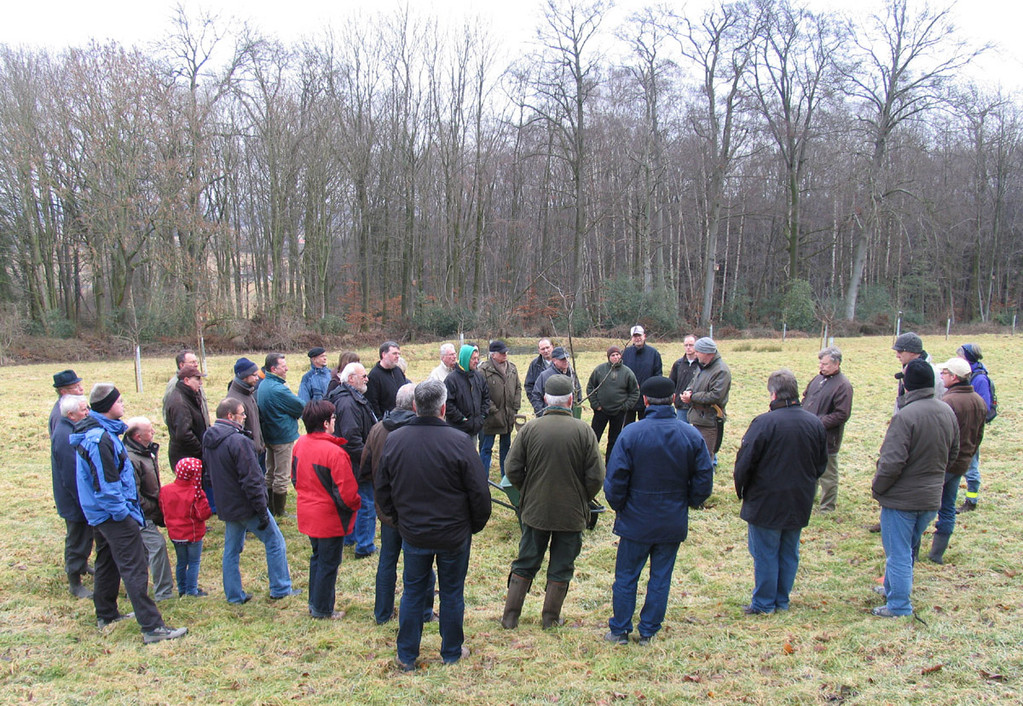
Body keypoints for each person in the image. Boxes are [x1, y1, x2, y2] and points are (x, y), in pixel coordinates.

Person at [375, 379, 492, 671]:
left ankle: (407, 656)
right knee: (451, 592)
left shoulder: (396, 440)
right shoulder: (459, 442)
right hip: (448, 534)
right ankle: (449, 651)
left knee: (413, 592)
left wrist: (399, 521)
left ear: (416, 407)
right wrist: (470, 527)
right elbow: (480, 494)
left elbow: (382, 490)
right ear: (443, 408)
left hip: (418, 532)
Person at [70, 383, 187, 644]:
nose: (123, 404)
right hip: (112, 515)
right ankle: (152, 627)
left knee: (107, 561)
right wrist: (124, 515)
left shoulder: (101, 432)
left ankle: (106, 614)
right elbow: (107, 486)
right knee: (135, 567)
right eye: (119, 400)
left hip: (102, 514)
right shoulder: (99, 439)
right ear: (107, 406)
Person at [603, 376, 713, 645]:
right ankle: (649, 629)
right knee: (661, 577)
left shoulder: (630, 433)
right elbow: (703, 479)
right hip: (671, 519)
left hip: (635, 520)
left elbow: (615, 479)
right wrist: (688, 501)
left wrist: (620, 506)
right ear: (673, 400)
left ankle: (620, 630)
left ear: (645, 401)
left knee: (626, 576)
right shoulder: (690, 435)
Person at [501, 375, 605, 630]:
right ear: (571, 400)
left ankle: (510, 618)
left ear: (546, 399)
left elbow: (511, 469)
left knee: (526, 561)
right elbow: (596, 477)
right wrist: (582, 497)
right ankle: (550, 620)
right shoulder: (584, 431)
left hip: (535, 510)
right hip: (570, 513)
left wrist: (528, 491)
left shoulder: (530, 429)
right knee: (561, 566)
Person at [733, 370, 827, 615]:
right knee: (788, 551)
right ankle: (781, 600)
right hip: (800, 498)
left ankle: (764, 603)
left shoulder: (764, 422)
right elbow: (821, 464)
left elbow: (745, 461)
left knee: (765, 552)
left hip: (766, 500)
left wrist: (741, 489)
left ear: (773, 394)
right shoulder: (814, 422)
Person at [871, 359, 958, 618]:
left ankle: (899, 605)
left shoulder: (905, 416)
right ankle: (892, 589)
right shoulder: (947, 411)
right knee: (906, 549)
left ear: (907, 386)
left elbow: (892, 462)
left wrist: (878, 488)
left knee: (897, 553)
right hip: (931, 497)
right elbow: (953, 454)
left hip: (902, 499)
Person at [204, 397, 299, 603]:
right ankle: (281, 588)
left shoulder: (210, 439)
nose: (245, 417)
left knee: (231, 551)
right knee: (275, 542)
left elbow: (210, 475)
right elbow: (252, 480)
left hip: (227, 506)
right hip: (247, 506)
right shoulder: (239, 442)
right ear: (230, 416)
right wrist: (262, 509)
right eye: (242, 414)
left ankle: (234, 595)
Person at [362, 383, 437, 625]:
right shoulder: (421, 433)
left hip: (386, 510)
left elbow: (363, 469)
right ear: (416, 405)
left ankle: (382, 613)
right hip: (416, 510)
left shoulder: (376, 430)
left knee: (387, 560)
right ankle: (425, 611)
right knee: (423, 561)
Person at [292, 400, 361, 619]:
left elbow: (294, 478)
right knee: (329, 563)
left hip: (308, 513)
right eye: (333, 418)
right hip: (329, 518)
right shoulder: (335, 453)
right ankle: (323, 609)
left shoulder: (299, 444)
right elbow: (347, 494)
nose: (335, 422)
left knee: (317, 558)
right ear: (325, 423)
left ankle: (315, 602)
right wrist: (356, 505)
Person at [929, 358, 986, 564]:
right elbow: (979, 436)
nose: (941, 376)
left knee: (923, 507)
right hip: (962, 463)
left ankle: (911, 551)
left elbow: (939, 436)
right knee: (948, 507)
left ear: (954, 377)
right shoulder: (979, 401)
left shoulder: (948, 402)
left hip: (943, 463)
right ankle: (936, 555)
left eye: (944, 373)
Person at [328, 362, 378, 558]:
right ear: (351, 379)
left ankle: (350, 537)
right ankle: (365, 546)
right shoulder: (349, 403)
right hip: (356, 462)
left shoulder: (347, 397)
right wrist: (369, 459)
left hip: (349, 461)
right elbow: (351, 439)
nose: (367, 379)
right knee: (365, 502)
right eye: (363, 376)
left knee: (350, 500)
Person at [124, 417, 175, 602]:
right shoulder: (131, 459)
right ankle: (164, 593)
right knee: (157, 546)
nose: (153, 432)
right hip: (140, 515)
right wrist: (155, 508)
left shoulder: (144, 452)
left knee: (142, 551)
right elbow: (134, 496)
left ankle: (137, 593)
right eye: (150, 430)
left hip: (145, 512)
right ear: (138, 436)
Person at [50, 394, 94, 598]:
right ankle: (74, 581)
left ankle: (82, 565)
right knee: (76, 537)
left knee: (84, 535)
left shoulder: (70, 428)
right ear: (71, 414)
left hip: (76, 496)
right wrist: (83, 501)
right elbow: (71, 474)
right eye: (84, 410)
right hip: (73, 498)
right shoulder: (65, 436)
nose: (87, 413)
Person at [801, 346, 854, 513]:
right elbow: (805, 398)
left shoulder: (843, 386)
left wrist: (817, 423)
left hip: (827, 438)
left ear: (836, 364)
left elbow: (842, 414)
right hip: (809, 435)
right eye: (820, 363)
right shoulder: (817, 379)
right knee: (809, 470)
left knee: (828, 474)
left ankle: (827, 508)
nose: (821, 367)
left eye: (825, 364)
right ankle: (807, 501)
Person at [257, 352, 304, 517]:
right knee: (282, 474)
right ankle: (279, 510)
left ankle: (270, 506)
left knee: (270, 472)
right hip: (282, 435)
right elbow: (300, 406)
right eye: (283, 367)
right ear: (273, 369)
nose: (287, 369)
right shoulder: (278, 389)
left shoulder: (263, 384)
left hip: (269, 435)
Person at [159, 457, 212, 597]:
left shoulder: (165, 490)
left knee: (181, 562)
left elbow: (163, 509)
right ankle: (191, 590)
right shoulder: (195, 492)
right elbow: (203, 514)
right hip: (193, 534)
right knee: (194, 562)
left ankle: (182, 589)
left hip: (175, 534)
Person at [956, 343, 993, 512]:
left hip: (971, 429)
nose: (957, 359)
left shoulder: (979, 378)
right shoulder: (967, 374)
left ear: (968, 358)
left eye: (960, 356)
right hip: (963, 426)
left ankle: (972, 500)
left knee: (971, 464)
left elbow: (983, 407)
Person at [586, 346, 640, 463]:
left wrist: (625, 407)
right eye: (613, 355)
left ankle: (610, 464)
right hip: (601, 411)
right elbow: (590, 387)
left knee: (614, 440)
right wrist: (596, 405)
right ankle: (589, 462)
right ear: (608, 357)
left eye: (617, 355)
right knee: (594, 438)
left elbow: (635, 392)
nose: (615, 357)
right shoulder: (600, 370)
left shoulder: (627, 372)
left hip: (618, 413)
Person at [680, 337, 731, 459]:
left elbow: (716, 396)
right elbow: (693, 382)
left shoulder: (721, 371)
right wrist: (688, 391)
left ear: (708, 353)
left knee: (705, 457)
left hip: (710, 422)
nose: (695, 354)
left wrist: (692, 397)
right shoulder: (702, 366)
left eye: (698, 352)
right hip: (698, 418)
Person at [479, 340, 522, 478]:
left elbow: (518, 388)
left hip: (508, 416)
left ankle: (506, 477)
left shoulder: (512, 368)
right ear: (493, 355)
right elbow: (481, 393)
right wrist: (493, 410)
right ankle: (483, 478)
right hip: (490, 418)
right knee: (486, 449)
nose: (505, 354)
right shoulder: (483, 371)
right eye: (502, 352)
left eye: (505, 352)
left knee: (506, 447)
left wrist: (515, 407)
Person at [445, 343, 490, 437]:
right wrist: (462, 419)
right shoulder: (451, 380)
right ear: (466, 359)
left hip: (474, 430)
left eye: (477, 358)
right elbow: (448, 404)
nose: (477, 361)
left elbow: (486, 397)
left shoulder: (479, 377)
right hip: (457, 432)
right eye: (473, 358)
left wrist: (481, 417)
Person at [621, 326, 662, 425]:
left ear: (644, 336)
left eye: (639, 335)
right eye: (634, 336)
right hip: (629, 397)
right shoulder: (625, 353)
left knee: (646, 427)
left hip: (647, 398)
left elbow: (658, 375)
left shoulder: (654, 354)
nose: (637, 338)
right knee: (627, 427)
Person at [226, 357, 265, 463]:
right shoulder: (235, 400)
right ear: (244, 376)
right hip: (247, 455)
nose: (257, 378)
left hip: (255, 451)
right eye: (254, 375)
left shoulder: (247, 392)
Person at [162, 350, 210, 428]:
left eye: (196, 362)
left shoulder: (195, 380)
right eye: (192, 362)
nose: (196, 365)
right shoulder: (174, 385)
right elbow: (168, 414)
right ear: (181, 365)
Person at [529, 347, 582, 415]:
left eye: (567, 358)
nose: (565, 361)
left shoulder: (572, 374)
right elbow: (536, 396)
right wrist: (542, 414)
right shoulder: (544, 376)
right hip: (549, 417)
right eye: (562, 359)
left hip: (569, 416)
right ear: (554, 360)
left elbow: (578, 394)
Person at [366, 341, 409, 419]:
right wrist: (380, 421)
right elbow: (373, 403)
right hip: (387, 422)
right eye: (394, 353)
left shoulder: (398, 371)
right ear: (384, 354)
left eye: (399, 354)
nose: (398, 356)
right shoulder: (374, 375)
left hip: (403, 418)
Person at [668, 336, 699, 422]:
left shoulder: (701, 365)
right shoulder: (678, 364)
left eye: (691, 345)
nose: (688, 347)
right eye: (686, 345)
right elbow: (671, 383)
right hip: (681, 405)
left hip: (696, 405)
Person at [49, 369, 84, 437]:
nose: (81, 389)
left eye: (80, 385)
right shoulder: (61, 414)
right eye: (76, 387)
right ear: (63, 392)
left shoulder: (78, 405)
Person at [523, 338, 554, 403]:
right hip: (541, 406)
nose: (546, 350)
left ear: (552, 347)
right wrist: (536, 404)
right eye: (543, 349)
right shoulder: (534, 364)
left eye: (547, 347)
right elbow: (529, 386)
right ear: (539, 350)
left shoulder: (561, 362)